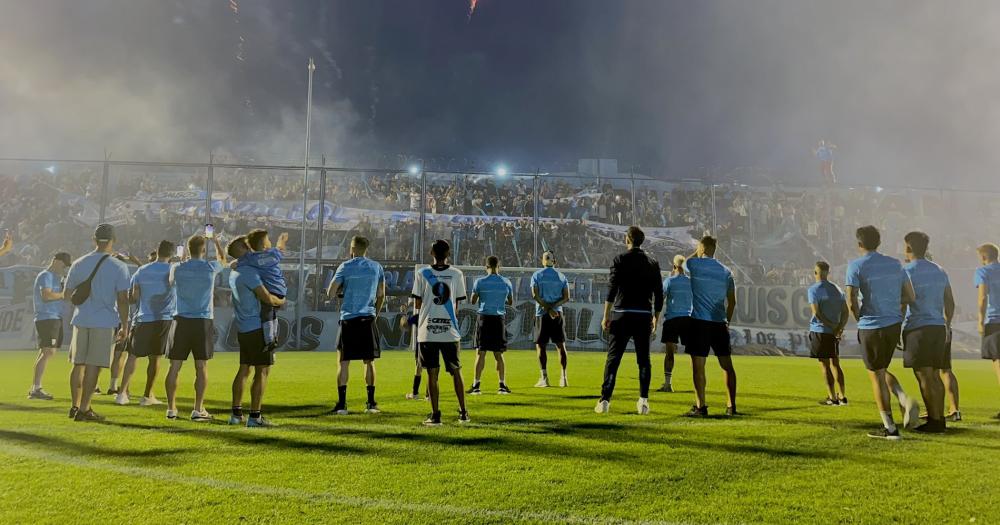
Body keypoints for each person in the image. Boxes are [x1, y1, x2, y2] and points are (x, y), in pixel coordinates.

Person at [846, 225, 917, 440]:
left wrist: (860, 319)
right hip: (893, 324)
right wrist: (890, 303)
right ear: (879, 242)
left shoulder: (856, 265)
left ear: (859, 244)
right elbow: (910, 296)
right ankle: (902, 397)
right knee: (881, 369)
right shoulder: (895, 264)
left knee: (875, 375)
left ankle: (890, 428)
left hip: (871, 325)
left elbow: (851, 301)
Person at [64, 224, 131, 422]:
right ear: (113, 241)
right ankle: (85, 408)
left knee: (78, 364)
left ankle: (74, 406)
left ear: (94, 240)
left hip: (81, 318)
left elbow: (68, 295)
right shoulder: (119, 266)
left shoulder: (78, 263)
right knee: (94, 365)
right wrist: (125, 325)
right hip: (103, 320)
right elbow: (123, 299)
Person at [595, 226, 663, 415]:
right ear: (642, 241)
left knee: (613, 359)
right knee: (644, 360)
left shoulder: (620, 260)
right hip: (643, 316)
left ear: (627, 240)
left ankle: (605, 401)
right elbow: (659, 293)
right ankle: (643, 402)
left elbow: (612, 288)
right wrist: (656, 318)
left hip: (622, 314)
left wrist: (606, 315)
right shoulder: (652, 263)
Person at [164, 234, 226, 421]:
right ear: (203, 250)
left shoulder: (177, 268)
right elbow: (223, 260)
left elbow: (170, 282)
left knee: (174, 367)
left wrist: (182, 261)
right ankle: (198, 409)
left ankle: (171, 408)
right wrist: (216, 241)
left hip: (180, 320)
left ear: (188, 250)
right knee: (201, 366)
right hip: (201, 321)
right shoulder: (209, 268)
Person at [227, 236, 286, 428]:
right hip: (257, 328)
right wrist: (282, 301)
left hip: (244, 327)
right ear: (245, 249)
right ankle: (255, 417)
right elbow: (267, 297)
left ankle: (236, 414)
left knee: (244, 369)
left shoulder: (234, 272)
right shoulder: (249, 273)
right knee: (262, 371)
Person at [411, 239, 469, 426]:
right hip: (450, 331)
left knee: (432, 374)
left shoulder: (422, 273)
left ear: (432, 253)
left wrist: (413, 319)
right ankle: (464, 413)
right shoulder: (457, 274)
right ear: (448, 254)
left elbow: (417, 303)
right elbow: (457, 304)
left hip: (427, 331)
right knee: (456, 371)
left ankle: (436, 416)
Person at [901, 231, 954, 433]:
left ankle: (934, 420)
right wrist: (947, 325)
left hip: (918, 327)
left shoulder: (906, 271)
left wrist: (898, 328)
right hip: (938, 327)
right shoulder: (939, 270)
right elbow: (950, 301)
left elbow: (904, 302)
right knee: (935, 375)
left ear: (908, 248)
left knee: (924, 375)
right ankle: (939, 419)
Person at [327, 236, 386, 415]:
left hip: (348, 319)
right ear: (366, 248)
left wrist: (342, 291)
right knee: (369, 362)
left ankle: (342, 405)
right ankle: (371, 403)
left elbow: (330, 292)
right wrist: (374, 314)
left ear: (352, 248)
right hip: (368, 318)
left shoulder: (345, 266)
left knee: (343, 362)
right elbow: (381, 294)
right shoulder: (376, 267)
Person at [116, 241, 176, 407]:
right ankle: (147, 395)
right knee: (155, 358)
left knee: (132, 356)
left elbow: (134, 297)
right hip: (163, 319)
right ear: (171, 254)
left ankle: (122, 394)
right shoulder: (173, 270)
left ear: (157, 251)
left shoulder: (142, 270)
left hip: (142, 318)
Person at [683, 236, 738, 417]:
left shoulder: (695, 264)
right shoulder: (726, 271)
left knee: (698, 366)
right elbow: (732, 301)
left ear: (702, 247)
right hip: (719, 323)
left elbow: (683, 262)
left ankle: (701, 407)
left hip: (699, 322)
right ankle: (731, 406)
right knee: (727, 365)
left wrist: (698, 251)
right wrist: (727, 321)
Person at [28, 252, 72, 400]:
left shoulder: (57, 277)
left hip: (53, 317)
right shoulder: (45, 275)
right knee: (47, 352)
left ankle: (35, 387)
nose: (64, 268)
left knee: (47, 352)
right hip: (46, 317)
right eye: (63, 264)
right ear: (56, 261)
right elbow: (46, 296)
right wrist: (63, 294)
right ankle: (36, 388)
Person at [468, 255, 514, 395]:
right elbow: (511, 302)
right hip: (499, 319)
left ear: (486, 267)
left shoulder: (480, 282)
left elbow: (473, 301)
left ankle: (476, 385)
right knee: (498, 354)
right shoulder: (506, 282)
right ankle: (502, 385)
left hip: (484, 319)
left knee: (480, 353)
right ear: (498, 266)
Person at [807, 261, 849, 406]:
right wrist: (840, 327)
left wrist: (831, 326)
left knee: (825, 366)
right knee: (836, 364)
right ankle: (843, 396)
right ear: (828, 272)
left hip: (820, 331)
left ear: (816, 273)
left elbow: (816, 313)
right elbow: (845, 311)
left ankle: (832, 398)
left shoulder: (814, 289)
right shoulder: (837, 289)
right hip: (834, 333)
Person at [105, 251, 145, 396]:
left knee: (112, 354)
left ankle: (111, 385)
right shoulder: (124, 275)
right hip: (123, 318)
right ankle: (119, 387)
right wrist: (137, 262)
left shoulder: (106, 275)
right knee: (122, 354)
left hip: (108, 317)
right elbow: (127, 299)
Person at [242, 229, 288, 351]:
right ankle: (274, 338)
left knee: (266, 313)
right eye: (268, 239)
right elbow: (280, 249)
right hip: (280, 289)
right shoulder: (273, 253)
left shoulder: (251, 258)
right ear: (264, 244)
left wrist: (233, 264)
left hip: (269, 290)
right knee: (273, 314)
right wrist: (282, 240)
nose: (270, 241)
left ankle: (269, 340)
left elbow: (237, 262)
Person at [530, 251, 570, 388]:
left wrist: (548, 309)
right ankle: (564, 378)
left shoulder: (537, 275)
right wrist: (553, 308)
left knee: (541, 346)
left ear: (543, 260)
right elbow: (566, 297)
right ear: (554, 261)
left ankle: (544, 378)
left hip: (542, 313)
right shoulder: (561, 276)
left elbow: (535, 295)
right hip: (557, 314)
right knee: (561, 346)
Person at [657, 255, 692, 393]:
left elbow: (661, 298)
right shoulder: (691, 282)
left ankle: (668, 384)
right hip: (688, 319)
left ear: (673, 266)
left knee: (670, 353)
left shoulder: (669, 281)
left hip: (672, 319)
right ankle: (698, 383)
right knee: (694, 354)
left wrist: (655, 317)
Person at [975, 243, 1000, 420]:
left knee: (998, 363)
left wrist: (980, 320)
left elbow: (983, 297)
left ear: (984, 257)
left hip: (994, 321)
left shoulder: (983, 272)